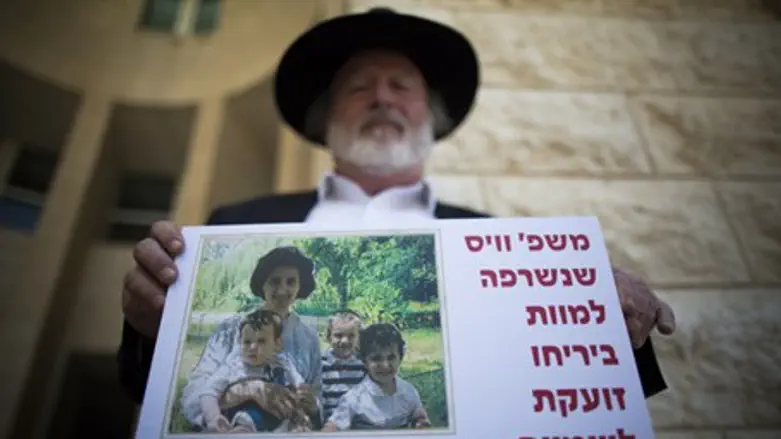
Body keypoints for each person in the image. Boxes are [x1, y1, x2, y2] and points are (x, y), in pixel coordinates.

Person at [118, 7, 676, 410]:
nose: (382, 97)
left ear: (431, 116)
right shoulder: (236, 224)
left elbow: (562, 391)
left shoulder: (505, 248)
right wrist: (149, 326)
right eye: (359, 87)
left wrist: (610, 325)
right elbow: (162, 391)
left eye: (401, 86)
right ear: (327, 118)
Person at [179, 246, 322, 428]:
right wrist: (249, 390)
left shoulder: (309, 339)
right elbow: (192, 398)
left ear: (300, 286)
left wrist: (312, 405)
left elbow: (319, 398)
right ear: (262, 284)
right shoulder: (230, 329)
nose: (282, 290)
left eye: (291, 282)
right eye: (274, 281)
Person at [195, 309, 314, 433]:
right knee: (243, 426)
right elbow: (209, 392)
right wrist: (213, 418)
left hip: (280, 423)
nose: (252, 347)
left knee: (300, 428)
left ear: (277, 344)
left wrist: (301, 404)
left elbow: (301, 388)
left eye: (261, 341)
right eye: (247, 342)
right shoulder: (234, 367)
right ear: (239, 342)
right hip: (245, 423)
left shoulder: (284, 365)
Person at [323, 323, 430, 431]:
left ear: (400, 358)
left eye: (391, 357)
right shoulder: (354, 398)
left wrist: (421, 422)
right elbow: (331, 428)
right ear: (365, 361)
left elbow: (419, 417)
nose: (385, 365)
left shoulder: (408, 391)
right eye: (376, 358)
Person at [320, 311, 366, 422]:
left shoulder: (363, 364)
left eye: (351, 336)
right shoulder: (321, 364)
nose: (345, 341)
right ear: (329, 336)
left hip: (357, 423)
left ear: (358, 338)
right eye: (338, 335)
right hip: (329, 423)